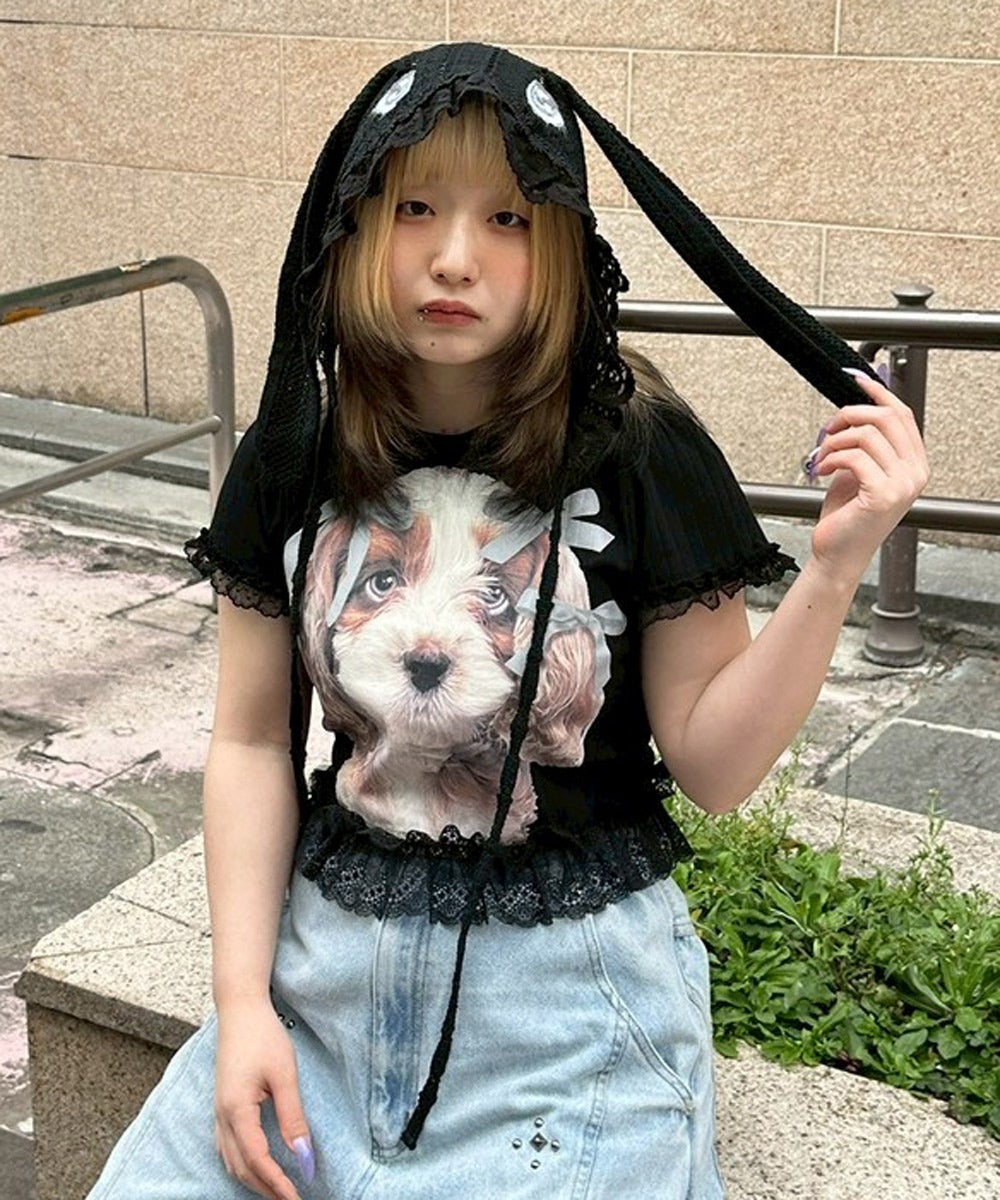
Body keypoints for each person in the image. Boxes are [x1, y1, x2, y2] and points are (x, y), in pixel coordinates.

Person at [87, 42, 928, 1200]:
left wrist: (835, 569)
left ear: (565, 247)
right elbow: (246, 742)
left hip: (569, 1017)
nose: (453, 255)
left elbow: (715, 767)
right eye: (413, 207)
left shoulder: (637, 446)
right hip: (321, 983)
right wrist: (241, 1009)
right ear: (352, 225)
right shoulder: (296, 450)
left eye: (508, 219)